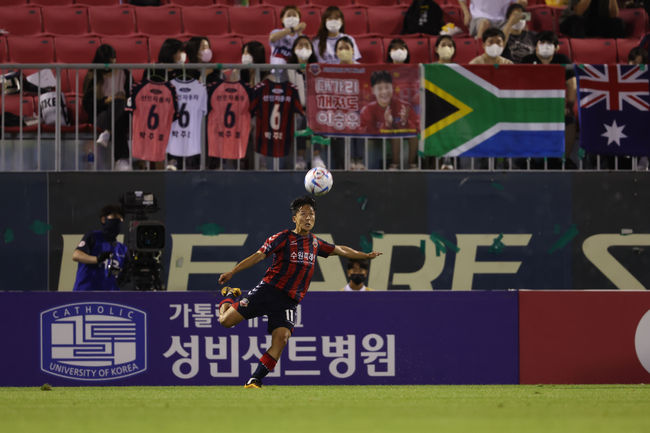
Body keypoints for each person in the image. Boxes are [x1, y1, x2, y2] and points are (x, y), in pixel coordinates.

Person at [217, 196, 382, 388]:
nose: (308, 218)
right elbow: (258, 256)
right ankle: (229, 295)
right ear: (294, 218)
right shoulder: (282, 238)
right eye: (303, 214)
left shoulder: (315, 244)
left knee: (282, 338)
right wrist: (233, 272)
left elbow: (341, 250)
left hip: (289, 301)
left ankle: (255, 379)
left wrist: (364, 255)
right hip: (268, 291)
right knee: (225, 322)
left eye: (312, 214)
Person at [521, 31, 577, 169]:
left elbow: (572, 85)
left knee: (570, 120)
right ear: (536, 46)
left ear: (557, 47)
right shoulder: (527, 61)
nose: (545, 46)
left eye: (550, 43)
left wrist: (568, 105)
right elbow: (520, 86)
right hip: (532, 106)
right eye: (542, 42)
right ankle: (529, 158)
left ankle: (564, 159)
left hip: (556, 106)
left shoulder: (563, 60)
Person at [82, 44, 130, 170]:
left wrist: (119, 100)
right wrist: (106, 101)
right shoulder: (93, 76)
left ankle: (107, 132)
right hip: (101, 116)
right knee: (117, 114)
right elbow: (87, 105)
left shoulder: (124, 73)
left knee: (119, 105)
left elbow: (131, 97)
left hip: (122, 114)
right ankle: (121, 159)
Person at [286, 36, 326, 170]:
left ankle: (316, 157)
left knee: (318, 118)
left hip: (315, 109)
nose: (303, 48)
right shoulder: (287, 70)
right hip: (295, 110)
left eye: (307, 46)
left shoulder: (318, 70)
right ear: (294, 50)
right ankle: (300, 157)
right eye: (300, 45)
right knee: (301, 120)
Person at [72, 204, 127, 291]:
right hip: (85, 293)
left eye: (120, 219)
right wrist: (97, 259)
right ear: (103, 219)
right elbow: (76, 255)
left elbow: (122, 274)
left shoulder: (122, 248)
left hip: (110, 298)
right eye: (115, 217)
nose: (118, 221)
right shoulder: (93, 236)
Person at [385, 39, 418, 170]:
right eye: (395, 48)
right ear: (389, 52)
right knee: (396, 127)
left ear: (407, 52)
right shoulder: (384, 70)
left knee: (413, 129)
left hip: (411, 109)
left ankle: (412, 163)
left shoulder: (414, 70)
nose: (399, 51)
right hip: (391, 109)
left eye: (402, 48)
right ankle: (395, 163)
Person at [360, 70, 419, 137]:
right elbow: (368, 136)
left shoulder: (405, 107)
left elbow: (417, 130)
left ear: (392, 87)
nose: (384, 92)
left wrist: (405, 122)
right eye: (380, 88)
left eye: (387, 87)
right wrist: (387, 124)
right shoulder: (366, 111)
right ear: (373, 90)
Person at [458, 0, 528, 40]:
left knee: (522, 22)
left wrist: (522, 3)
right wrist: (466, 13)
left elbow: (523, 2)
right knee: (484, 24)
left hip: (503, 20)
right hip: (479, 18)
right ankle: (479, 53)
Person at [559, 0, 625, 38]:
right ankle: (580, 50)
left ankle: (614, 52)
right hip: (571, 21)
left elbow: (614, 15)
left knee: (618, 23)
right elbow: (578, 12)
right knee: (577, 21)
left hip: (594, 24)